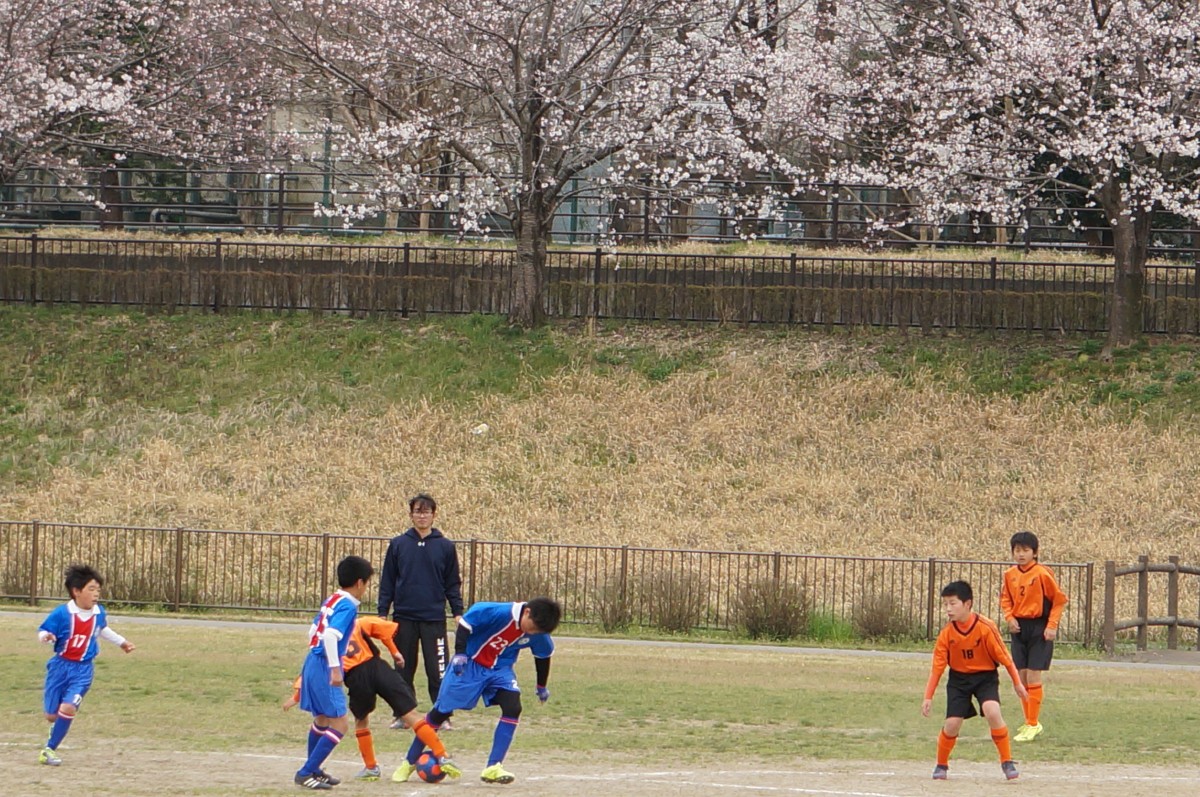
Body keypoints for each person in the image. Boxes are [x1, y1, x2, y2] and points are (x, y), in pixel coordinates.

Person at [396, 597, 562, 785]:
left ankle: (494, 766)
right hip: (470, 665)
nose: (532, 633)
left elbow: (543, 656)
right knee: (440, 713)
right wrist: (460, 653)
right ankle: (409, 762)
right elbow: (465, 624)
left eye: (537, 632)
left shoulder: (539, 632)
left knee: (513, 707)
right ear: (527, 612)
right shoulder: (497, 612)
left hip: (500, 669)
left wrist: (541, 686)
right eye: (532, 628)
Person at [284, 615, 461, 782]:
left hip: (356, 678)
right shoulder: (357, 623)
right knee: (411, 715)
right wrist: (395, 652)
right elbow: (384, 630)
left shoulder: (324, 640)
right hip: (378, 668)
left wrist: (297, 695)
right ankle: (442, 755)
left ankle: (371, 767)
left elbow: (313, 671)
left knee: (361, 721)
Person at [922, 580, 1027, 781]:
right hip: (959, 680)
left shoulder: (986, 627)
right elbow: (937, 668)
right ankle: (941, 765)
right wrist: (928, 697)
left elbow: (1005, 658)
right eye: (945, 604)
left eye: (953, 603)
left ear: (967, 604)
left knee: (992, 711)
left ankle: (1007, 761)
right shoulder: (947, 633)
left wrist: (1017, 683)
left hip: (985, 677)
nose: (948, 609)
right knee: (952, 723)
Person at [378, 493, 464, 728]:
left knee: (438, 670)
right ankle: (403, 715)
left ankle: (442, 716)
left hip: (433, 618)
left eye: (426, 512)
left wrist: (457, 611)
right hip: (404, 617)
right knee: (403, 669)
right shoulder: (399, 544)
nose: (422, 516)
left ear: (434, 515)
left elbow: (452, 583)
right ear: (411, 515)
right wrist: (383, 611)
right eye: (418, 511)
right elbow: (388, 581)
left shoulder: (445, 546)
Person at [36, 563, 136, 766]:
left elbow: (102, 630)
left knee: (69, 707)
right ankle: (56, 727)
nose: (96, 593)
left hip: (83, 669)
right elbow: (43, 630)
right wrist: (46, 636)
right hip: (60, 666)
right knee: (51, 715)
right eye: (91, 589)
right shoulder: (62, 613)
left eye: (98, 589)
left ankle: (49, 749)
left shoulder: (98, 613)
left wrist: (122, 642)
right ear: (76, 591)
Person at [293, 554, 373, 790]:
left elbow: (313, 631)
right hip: (324, 665)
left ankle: (314, 769)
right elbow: (330, 636)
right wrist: (335, 669)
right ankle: (305, 773)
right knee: (340, 724)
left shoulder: (332, 599)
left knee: (322, 718)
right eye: (367, 583)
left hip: (312, 660)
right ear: (360, 582)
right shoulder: (348, 606)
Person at [1000, 530, 1069, 742]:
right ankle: (1029, 721)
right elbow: (1005, 599)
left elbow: (1059, 600)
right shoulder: (1009, 574)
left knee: (1033, 675)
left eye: (1025, 550)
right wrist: (1009, 617)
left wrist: (1052, 625)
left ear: (1035, 552)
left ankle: (1033, 723)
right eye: (1017, 550)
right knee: (1020, 677)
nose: (1021, 554)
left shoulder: (1042, 574)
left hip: (1039, 627)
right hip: (1019, 628)